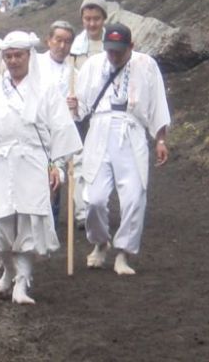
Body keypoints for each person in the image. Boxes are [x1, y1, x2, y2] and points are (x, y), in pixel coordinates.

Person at [0, 31, 82, 304]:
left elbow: (61, 129)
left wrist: (56, 165)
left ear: (29, 56)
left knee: (28, 224)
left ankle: (22, 282)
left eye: (18, 55)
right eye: (8, 56)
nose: (13, 61)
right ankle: (8, 270)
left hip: (33, 162)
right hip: (0, 162)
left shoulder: (45, 91)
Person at [71, 22, 170, 275]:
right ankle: (100, 242)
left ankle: (123, 253)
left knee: (135, 196)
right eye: (110, 50)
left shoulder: (146, 65)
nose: (113, 56)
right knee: (94, 198)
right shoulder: (92, 65)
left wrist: (160, 139)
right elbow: (81, 110)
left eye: (119, 51)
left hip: (132, 129)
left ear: (131, 47)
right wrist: (72, 105)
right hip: (100, 129)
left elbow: (158, 102)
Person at [67, 0, 108, 226]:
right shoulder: (75, 48)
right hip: (81, 111)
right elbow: (69, 77)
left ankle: (98, 205)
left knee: (103, 160)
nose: (92, 24)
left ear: (104, 19)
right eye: (87, 19)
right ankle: (82, 211)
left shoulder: (112, 44)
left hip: (105, 110)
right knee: (80, 160)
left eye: (96, 19)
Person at [36, 20, 77, 225]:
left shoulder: (75, 73)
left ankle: (52, 219)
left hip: (59, 129)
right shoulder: (35, 64)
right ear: (48, 41)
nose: (62, 46)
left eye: (67, 42)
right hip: (37, 127)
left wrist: (75, 105)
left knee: (57, 173)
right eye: (58, 40)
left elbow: (82, 109)